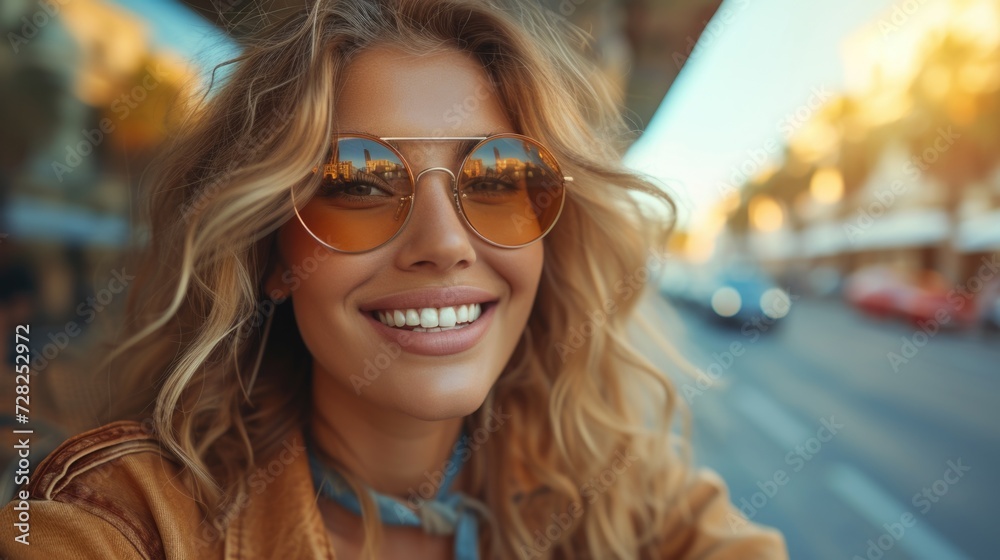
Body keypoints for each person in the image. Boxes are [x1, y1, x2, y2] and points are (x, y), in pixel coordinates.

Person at [0, 0, 788, 558]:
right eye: (358, 181)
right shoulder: (130, 518)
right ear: (271, 255)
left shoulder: (625, 492)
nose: (443, 244)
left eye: (496, 178)